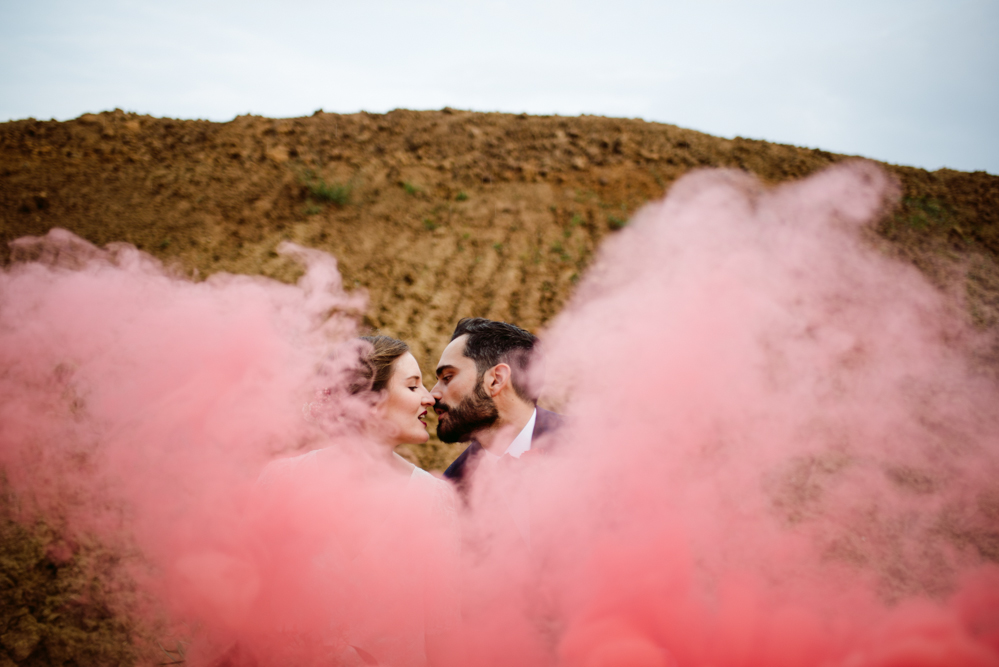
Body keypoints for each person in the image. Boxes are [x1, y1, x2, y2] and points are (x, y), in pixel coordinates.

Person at [252, 335, 459, 667]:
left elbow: (443, 635)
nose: (429, 398)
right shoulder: (280, 481)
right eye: (412, 386)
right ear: (371, 401)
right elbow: (246, 608)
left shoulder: (434, 500)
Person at [432, 318, 563, 486]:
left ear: (496, 380)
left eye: (447, 378)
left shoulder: (591, 444)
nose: (432, 395)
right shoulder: (453, 486)